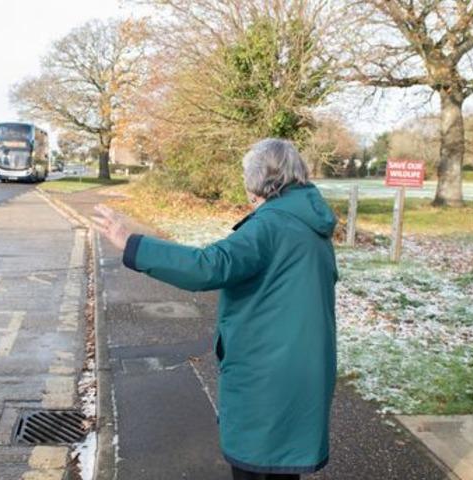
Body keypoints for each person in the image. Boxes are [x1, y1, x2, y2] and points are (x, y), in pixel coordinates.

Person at [93, 138, 338, 480]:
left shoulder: (270, 225)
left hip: (266, 374)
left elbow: (208, 266)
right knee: (283, 465)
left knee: (255, 463)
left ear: (258, 180)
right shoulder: (310, 224)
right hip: (305, 368)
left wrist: (132, 243)